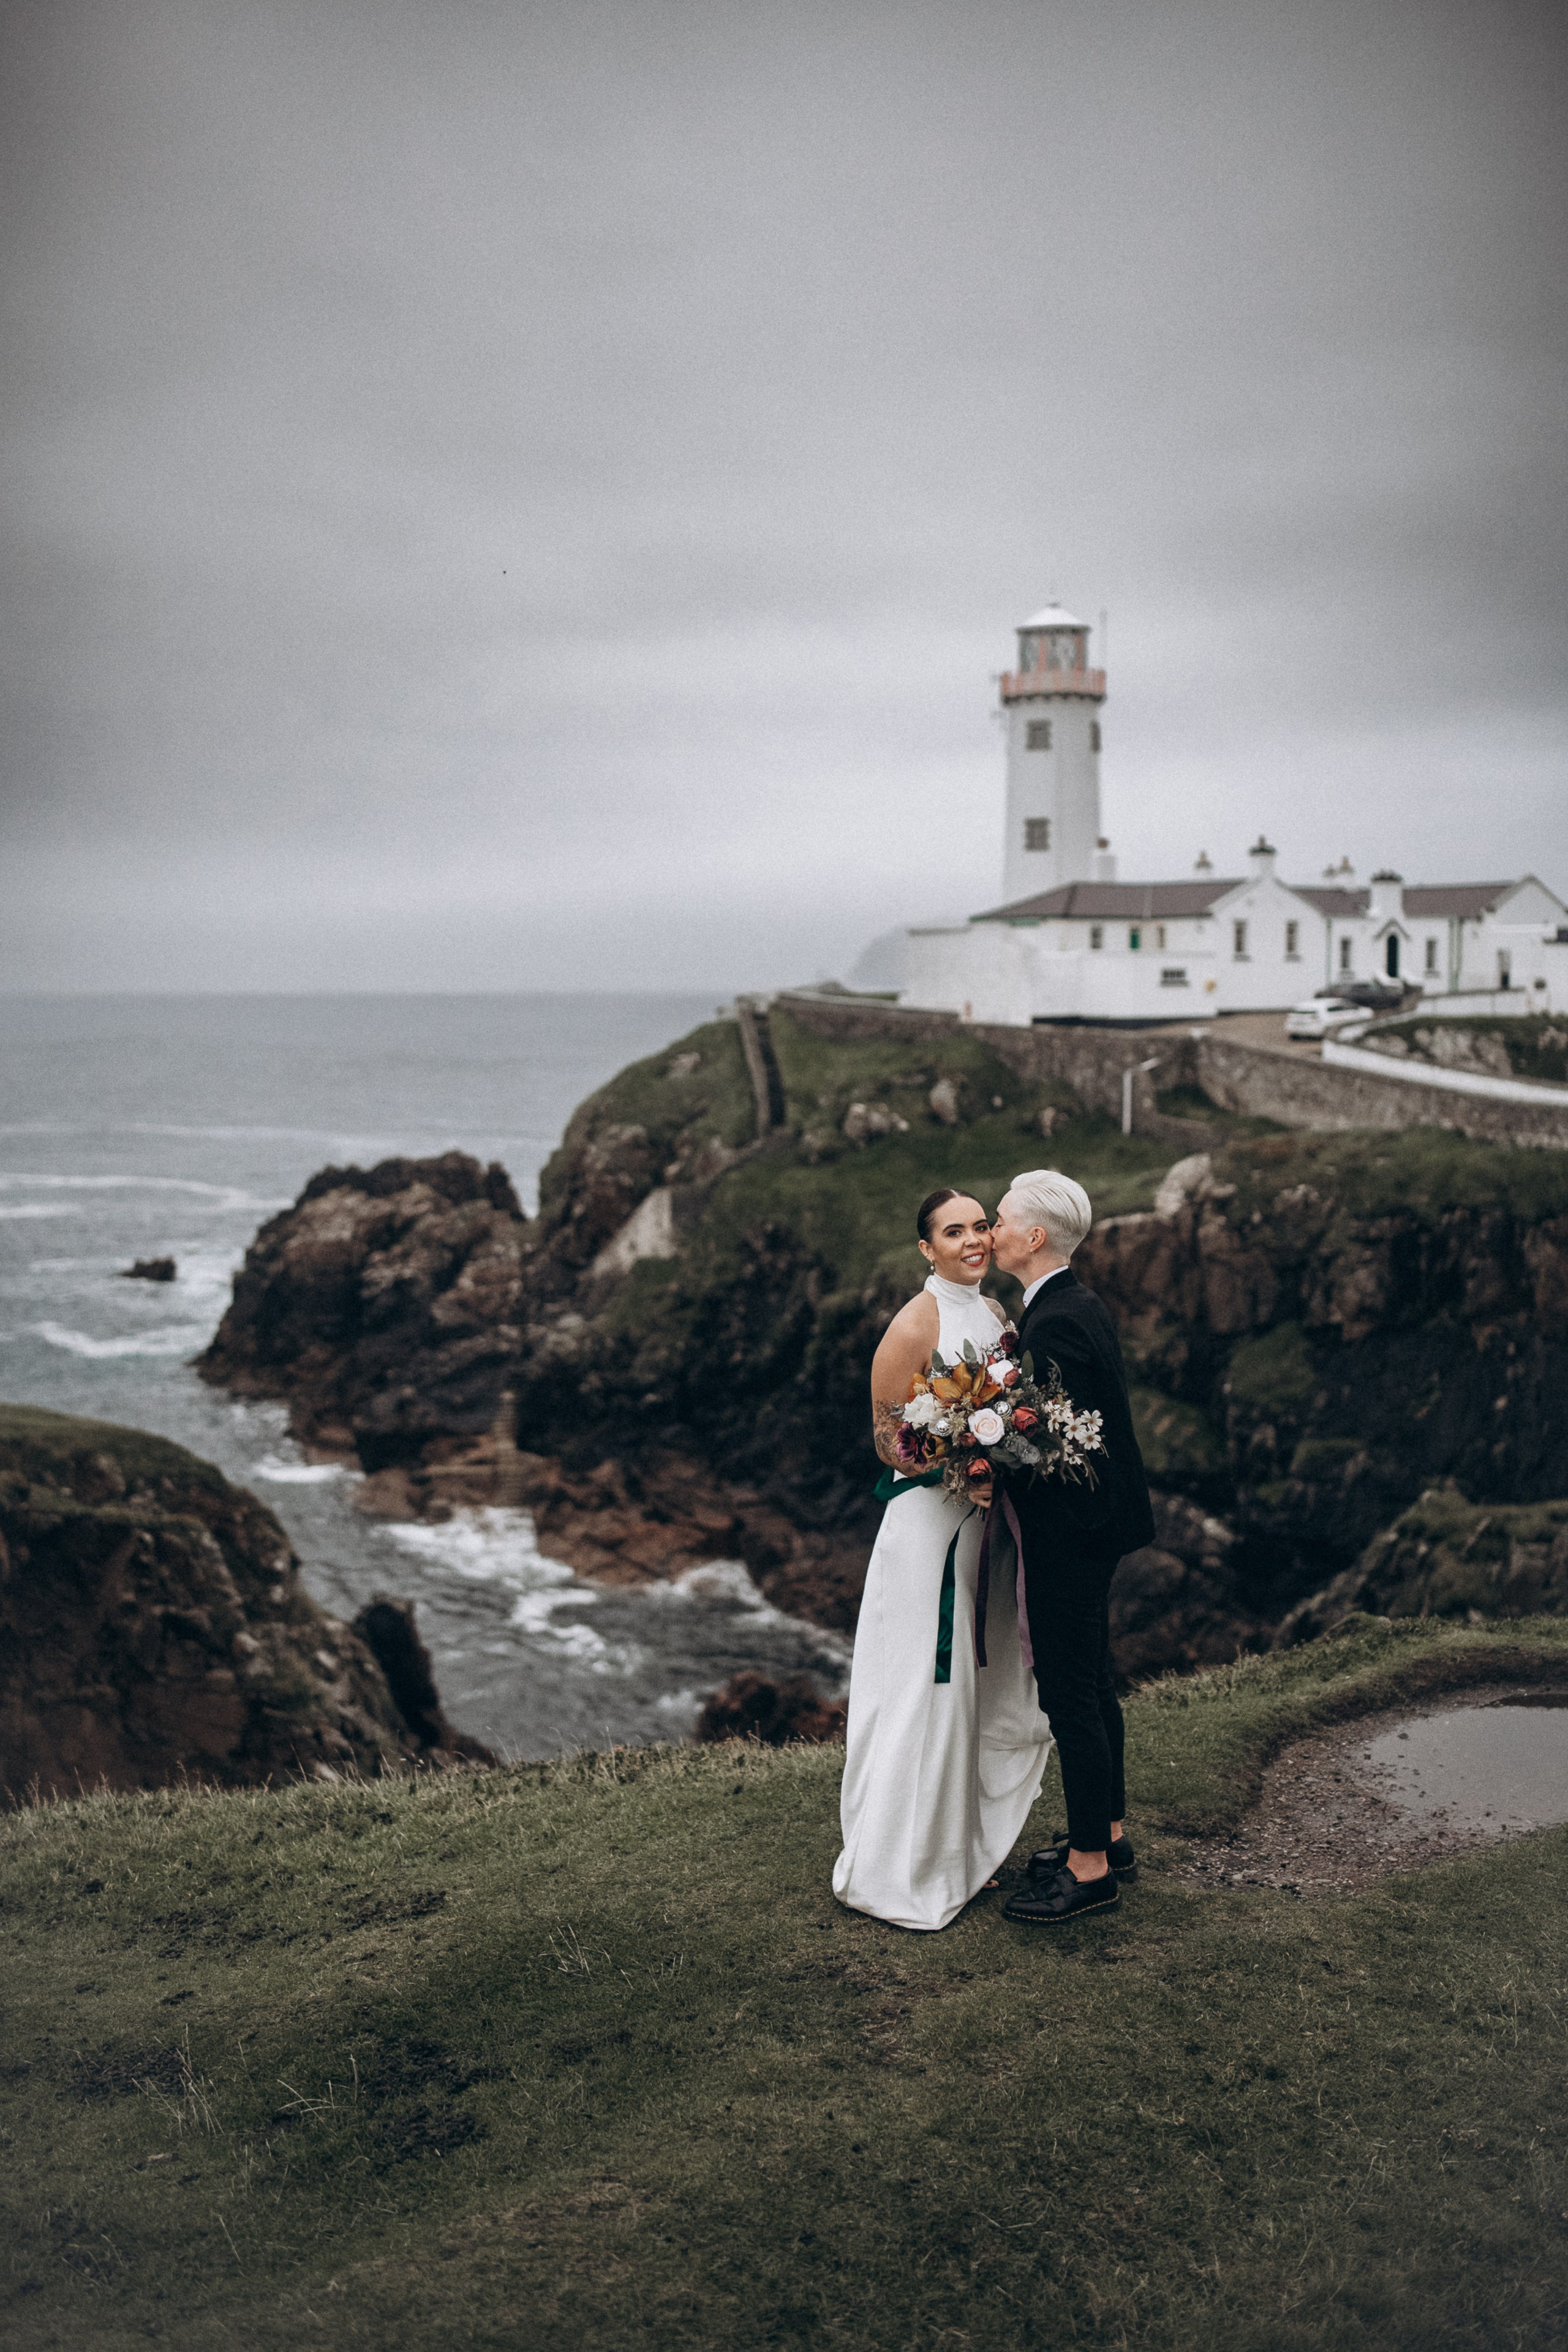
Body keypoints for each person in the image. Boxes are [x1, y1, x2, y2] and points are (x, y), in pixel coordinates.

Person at [832, 1188, 1054, 1931]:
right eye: (954, 1232)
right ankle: (901, 1863)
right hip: (930, 1526)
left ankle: (958, 1848)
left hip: (987, 1526)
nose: (974, 1241)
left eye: (980, 1227)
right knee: (924, 1683)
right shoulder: (914, 1322)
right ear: (927, 1249)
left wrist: (1001, 1455)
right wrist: (957, 1463)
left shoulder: (995, 1314)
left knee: (974, 1680)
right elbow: (885, 1436)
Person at [987, 1169, 1154, 1924]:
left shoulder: (1053, 1322)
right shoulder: (1075, 1303)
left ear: (1033, 1238)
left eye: (999, 1220)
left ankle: (1089, 1873)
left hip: (1072, 1534)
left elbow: (1058, 1447)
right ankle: (1108, 1836)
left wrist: (984, 1455)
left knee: (1070, 1698)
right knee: (1093, 1683)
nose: (990, 1231)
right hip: (1100, 1525)